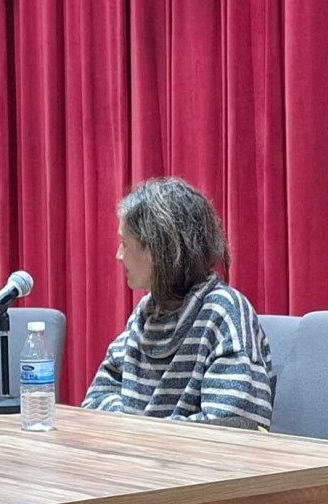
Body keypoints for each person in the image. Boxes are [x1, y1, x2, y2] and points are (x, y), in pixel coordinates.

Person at [82, 177, 273, 429]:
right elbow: (95, 401)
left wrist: (140, 431)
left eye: (125, 244)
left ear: (157, 251)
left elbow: (234, 426)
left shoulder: (224, 312)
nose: (118, 255)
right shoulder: (146, 312)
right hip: (139, 451)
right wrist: (138, 431)